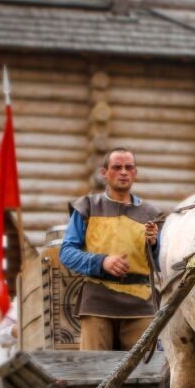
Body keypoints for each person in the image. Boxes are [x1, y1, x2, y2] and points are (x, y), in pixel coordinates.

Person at [59, 148, 160, 351]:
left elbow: (160, 263)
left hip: (141, 306)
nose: (123, 172)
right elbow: (66, 252)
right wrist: (101, 262)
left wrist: (154, 245)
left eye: (128, 167)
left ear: (135, 173)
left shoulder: (152, 214)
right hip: (97, 304)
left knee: (144, 377)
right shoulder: (87, 206)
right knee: (94, 374)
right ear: (104, 173)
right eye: (117, 167)